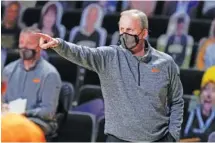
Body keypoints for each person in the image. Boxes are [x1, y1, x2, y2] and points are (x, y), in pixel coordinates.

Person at [35, 9, 184, 142]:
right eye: (122, 29)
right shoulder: (110, 56)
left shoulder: (166, 63)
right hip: (117, 139)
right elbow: (82, 53)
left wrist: (173, 135)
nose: (125, 35)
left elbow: (177, 101)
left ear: (144, 33)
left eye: (130, 30)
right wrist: (58, 44)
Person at [2, 26, 62, 136]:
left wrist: (25, 112)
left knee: (16, 130)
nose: (24, 47)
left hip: (38, 122)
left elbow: (48, 112)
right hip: (10, 119)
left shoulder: (49, 74)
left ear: (39, 46)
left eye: (29, 43)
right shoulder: (8, 71)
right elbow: (2, 101)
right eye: (21, 42)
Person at [183, 66, 215, 141]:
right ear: (200, 92)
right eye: (206, 89)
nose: (209, 95)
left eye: (214, 90)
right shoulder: (185, 112)